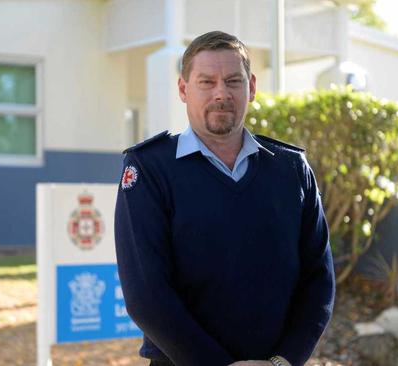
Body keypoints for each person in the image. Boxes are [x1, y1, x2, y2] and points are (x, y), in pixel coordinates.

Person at [114, 31, 335, 366]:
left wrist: (283, 361)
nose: (222, 93)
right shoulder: (149, 169)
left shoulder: (291, 170)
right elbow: (146, 295)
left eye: (234, 80)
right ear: (183, 90)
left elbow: (319, 280)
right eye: (206, 82)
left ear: (252, 87)